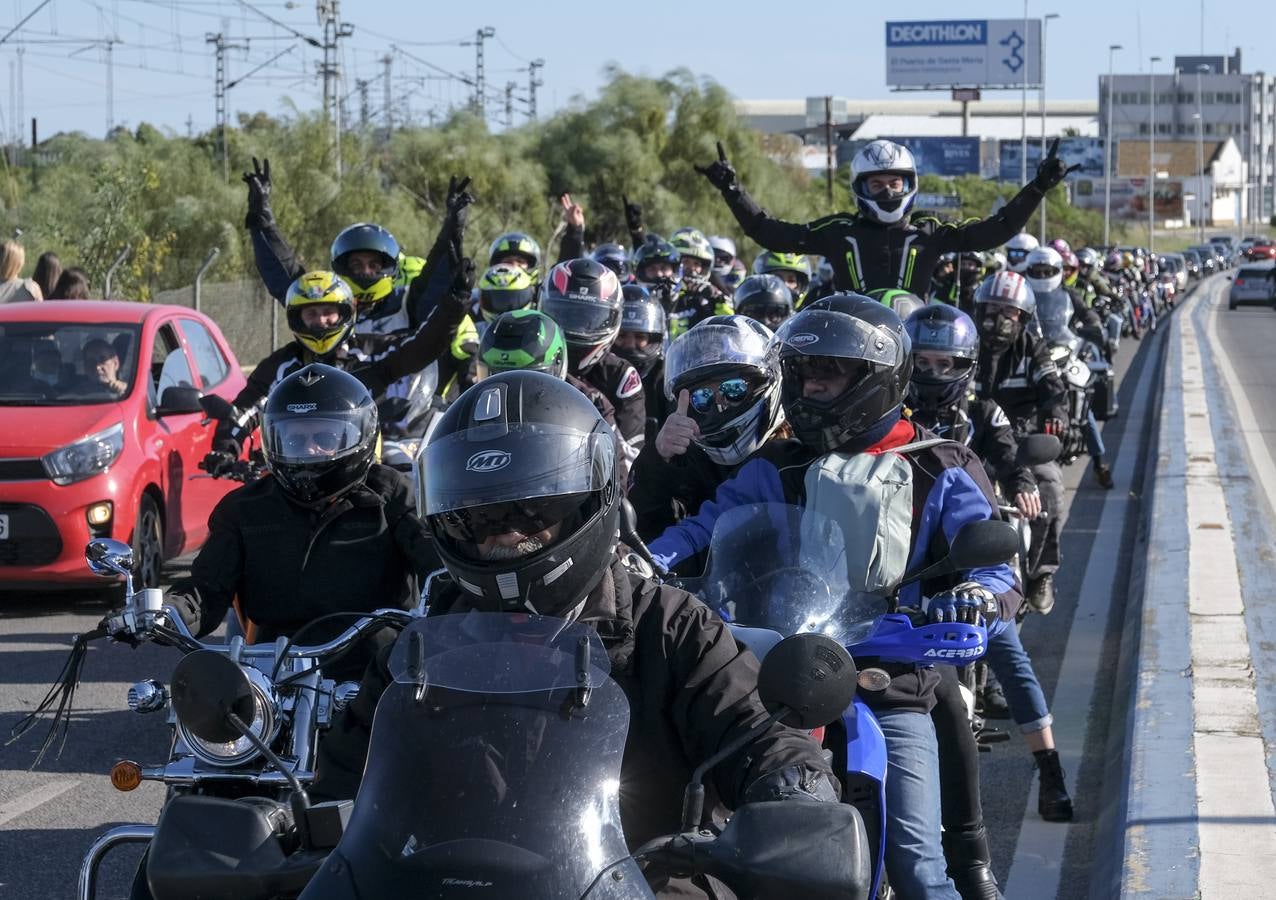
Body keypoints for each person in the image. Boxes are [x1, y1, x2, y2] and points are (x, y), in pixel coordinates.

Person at [312, 370, 840, 897]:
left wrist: (793, 792)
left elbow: (753, 731)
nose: (505, 532)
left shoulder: (672, 627)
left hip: (643, 884)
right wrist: (285, 829)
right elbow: (343, 790)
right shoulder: (418, 651)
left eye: (532, 508)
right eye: (477, 515)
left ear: (593, 497)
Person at [647, 294, 1022, 900]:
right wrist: (647, 560)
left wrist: (978, 594)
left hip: (892, 680)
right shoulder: (780, 461)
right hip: (777, 676)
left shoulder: (941, 464)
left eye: (832, 371)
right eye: (804, 371)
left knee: (918, 866)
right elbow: (709, 525)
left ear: (877, 378)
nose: (814, 383)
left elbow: (999, 566)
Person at [902, 304, 1074, 827]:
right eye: (923, 362)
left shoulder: (983, 411)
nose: (933, 374)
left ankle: (1051, 773)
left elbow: (1010, 457)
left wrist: (1021, 486)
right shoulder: (886, 407)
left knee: (1010, 655)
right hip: (907, 566)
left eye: (945, 362)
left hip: (973, 559)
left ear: (967, 364)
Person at [168, 364, 438, 681]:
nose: (310, 449)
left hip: (376, 675)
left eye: (324, 436)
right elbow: (206, 590)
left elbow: (439, 570)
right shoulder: (244, 509)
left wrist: (465, 604)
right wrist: (168, 613)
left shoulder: (393, 496)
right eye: (295, 439)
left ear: (360, 435)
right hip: (272, 676)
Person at [695, 138, 1072, 296]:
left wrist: (1037, 187)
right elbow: (769, 232)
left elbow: (997, 230)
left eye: (895, 182)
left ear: (910, 184)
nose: (888, 191)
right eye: (878, 185)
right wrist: (732, 189)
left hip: (915, 346)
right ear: (861, 188)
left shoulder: (931, 229)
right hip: (849, 349)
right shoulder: (838, 230)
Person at [203, 263, 474, 476]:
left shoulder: (370, 352)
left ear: (344, 313)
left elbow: (421, 348)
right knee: (238, 519)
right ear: (296, 318)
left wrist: (455, 302)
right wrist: (226, 450)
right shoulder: (281, 365)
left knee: (408, 509)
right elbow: (249, 407)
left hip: (364, 468)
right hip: (292, 467)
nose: (320, 321)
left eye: (328, 312)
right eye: (311, 314)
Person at [242, 157, 472, 336]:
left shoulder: (407, 304)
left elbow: (436, 279)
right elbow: (282, 273)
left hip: (399, 397)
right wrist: (262, 219)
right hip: (339, 397)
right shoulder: (326, 307)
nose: (366, 271)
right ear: (342, 267)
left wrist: (452, 229)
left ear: (389, 267)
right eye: (357, 264)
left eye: (374, 264)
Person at [628, 315, 785, 542]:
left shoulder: (799, 455)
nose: (719, 405)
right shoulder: (694, 457)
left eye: (733, 389)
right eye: (703, 397)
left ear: (767, 383)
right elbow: (648, 535)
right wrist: (658, 459)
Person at [971, 271, 1068, 616]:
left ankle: (1041, 573)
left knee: (1051, 486)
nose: (998, 319)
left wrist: (1056, 412)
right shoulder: (963, 342)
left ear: (1022, 318)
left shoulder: (1033, 348)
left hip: (1022, 444)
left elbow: (1052, 386)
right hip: (969, 444)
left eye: (1008, 313)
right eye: (992, 309)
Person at [1025, 247, 1114, 490]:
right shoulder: (1024, 294)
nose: (1043, 275)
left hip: (1065, 352)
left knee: (1082, 406)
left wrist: (1093, 327)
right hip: (1033, 353)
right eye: (1038, 270)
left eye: (1048, 271)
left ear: (1058, 271)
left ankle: (1099, 463)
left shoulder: (1068, 294)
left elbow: (1089, 316)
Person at [538, 257, 647, 448]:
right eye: (568, 314)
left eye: (590, 318)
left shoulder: (620, 376)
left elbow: (631, 462)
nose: (578, 327)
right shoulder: (532, 359)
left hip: (593, 474)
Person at [476, 307, 619, 433]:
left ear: (557, 363)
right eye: (494, 376)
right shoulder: (470, 407)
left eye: (526, 381)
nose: (508, 392)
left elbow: (613, 460)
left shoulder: (592, 406)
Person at [613, 283, 671, 434]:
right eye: (622, 336)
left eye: (640, 337)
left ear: (653, 339)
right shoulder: (596, 373)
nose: (630, 345)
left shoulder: (667, 381)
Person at [668, 230, 732, 338]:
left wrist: (717, 299)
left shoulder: (709, 297)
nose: (692, 269)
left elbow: (727, 329)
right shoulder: (663, 291)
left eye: (696, 263)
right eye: (686, 261)